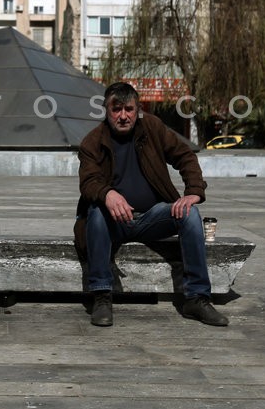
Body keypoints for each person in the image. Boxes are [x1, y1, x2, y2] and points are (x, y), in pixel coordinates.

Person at [75, 81, 228, 327]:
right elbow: (89, 182)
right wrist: (107, 194)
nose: (123, 116)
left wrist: (194, 192)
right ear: (106, 110)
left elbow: (185, 155)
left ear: (138, 110)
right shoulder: (92, 142)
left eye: (129, 109)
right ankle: (102, 295)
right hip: (114, 222)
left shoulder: (153, 128)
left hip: (152, 217)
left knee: (189, 214)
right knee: (96, 213)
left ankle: (196, 298)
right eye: (116, 109)